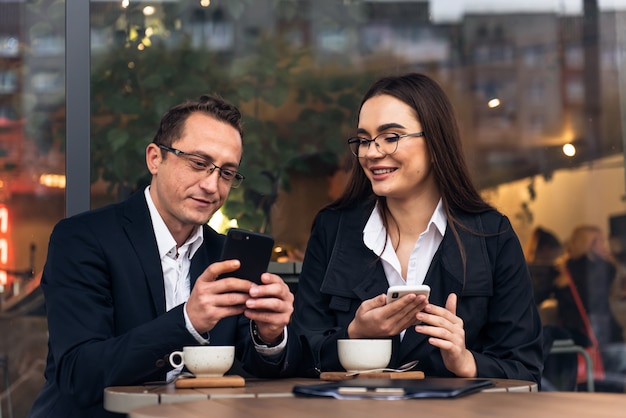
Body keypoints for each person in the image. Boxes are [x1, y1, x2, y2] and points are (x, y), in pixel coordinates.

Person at [28, 94, 300, 418]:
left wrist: (269, 336)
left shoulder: (225, 255)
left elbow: (257, 367)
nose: (212, 185)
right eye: (199, 164)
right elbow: (80, 373)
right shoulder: (83, 239)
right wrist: (188, 322)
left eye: (227, 173)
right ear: (155, 159)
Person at [292, 73, 543, 384]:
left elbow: (526, 372)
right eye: (364, 139)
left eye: (391, 136)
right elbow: (298, 356)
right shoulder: (333, 229)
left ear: (436, 143)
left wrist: (465, 362)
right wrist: (355, 334)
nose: (372, 152)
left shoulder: (491, 235)